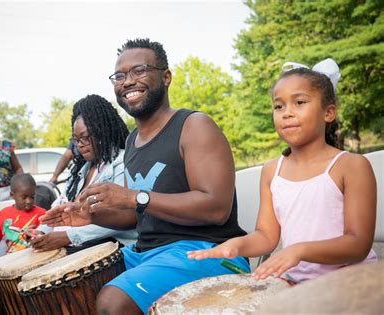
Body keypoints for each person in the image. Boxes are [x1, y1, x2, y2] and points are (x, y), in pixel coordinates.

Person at [40, 39, 248, 314]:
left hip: (209, 251)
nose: (127, 81)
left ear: (166, 76)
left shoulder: (194, 126)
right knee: (67, 286)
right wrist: (89, 216)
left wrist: (133, 196)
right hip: (146, 253)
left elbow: (215, 209)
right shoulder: (133, 142)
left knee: (113, 302)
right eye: (120, 75)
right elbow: (134, 215)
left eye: (139, 71)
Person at [188, 58, 377, 283]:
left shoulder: (351, 166)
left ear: (329, 113)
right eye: (279, 106)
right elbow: (266, 236)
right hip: (297, 284)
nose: (287, 112)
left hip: (354, 283)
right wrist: (237, 245)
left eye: (299, 102)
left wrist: (298, 250)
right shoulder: (271, 171)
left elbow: (358, 244)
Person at [28, 94, 137, 251]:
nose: (80, 145)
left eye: (85, 137)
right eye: (76, 140)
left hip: (109, 249)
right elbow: (60, 208)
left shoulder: (122, 164)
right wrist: (41, 231)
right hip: (73, 246)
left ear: (102, 131)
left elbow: (123, 217)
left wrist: (67, 237)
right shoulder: (79, 171)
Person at [0, 173, 45, 254]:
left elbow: (45, 236)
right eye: (24, 197)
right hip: (12, 258)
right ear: (12, 195)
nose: (29, 201)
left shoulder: (42, 214)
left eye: (32, 196)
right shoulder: (3, 214)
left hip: (34, 255)